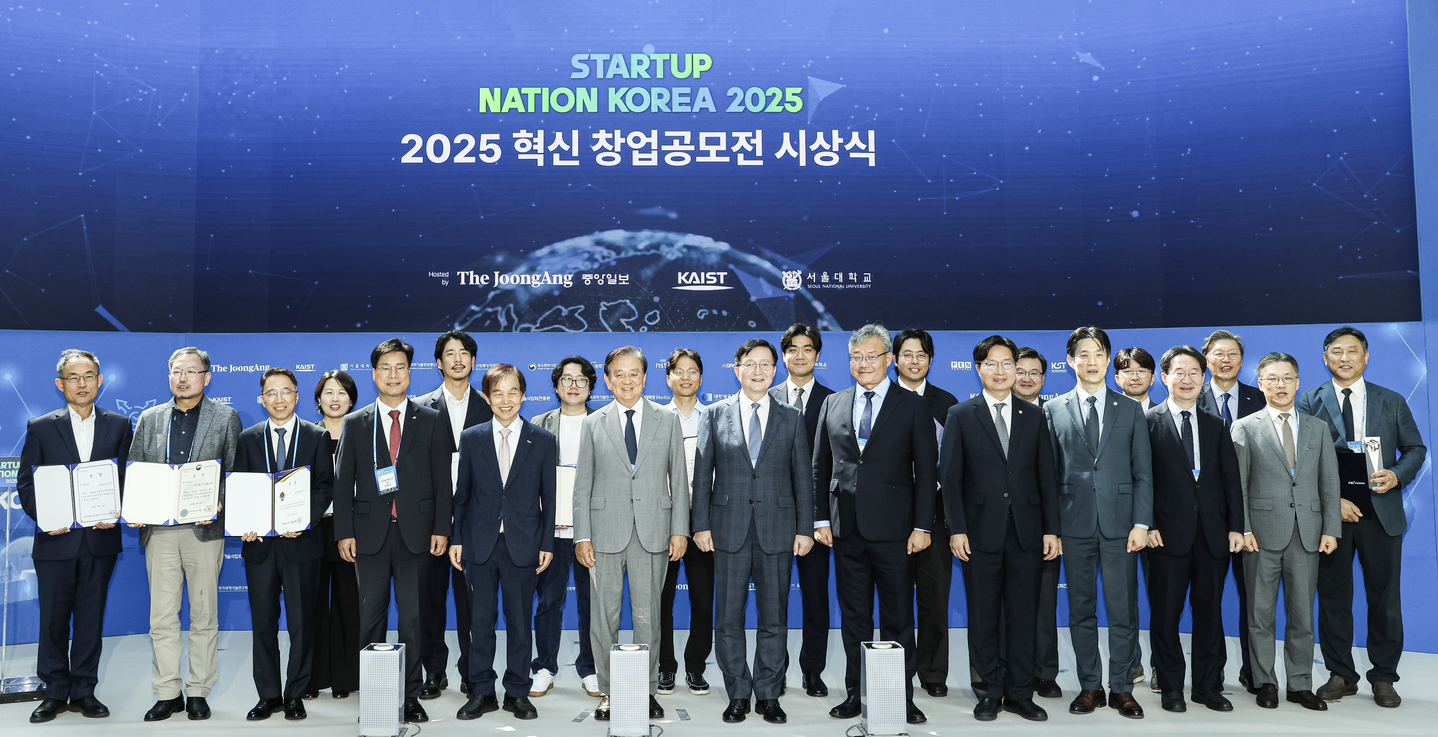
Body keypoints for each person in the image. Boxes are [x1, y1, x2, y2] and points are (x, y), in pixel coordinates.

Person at [814, 324, 936, 726]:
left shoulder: (913, 405)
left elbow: (925, 470)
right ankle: (856, 691)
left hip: (896, 532)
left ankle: (902, 696)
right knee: (855, 617)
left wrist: (922, 526)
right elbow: (820, 468)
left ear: (889, 359)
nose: (863, 364)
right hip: (845, 530)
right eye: (856, 357)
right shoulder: (833, 403)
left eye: (871, 356)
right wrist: (820, 518)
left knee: (899, 617)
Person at [1297, 327, 1426, 708]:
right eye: (1336, 351)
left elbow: (1415, 449)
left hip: (1381, 512)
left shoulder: (1392, 400)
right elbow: (1303, 461)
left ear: (1366, 357)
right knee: (1334, 596)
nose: (1344, 358)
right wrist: (1332, 499)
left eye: (1352, 351)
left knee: (1384, 599)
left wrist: (1398, 474)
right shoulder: (1308, 400)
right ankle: (1341, 675)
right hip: (1334, 515)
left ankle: (1384, 677)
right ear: (1325, 358)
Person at [692, 339, 815, 725]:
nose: (758, 371)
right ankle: (738, 694)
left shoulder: (791, 416)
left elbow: (803, 479)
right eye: (750, 364)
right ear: (737, 369)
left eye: (765, 364)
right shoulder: (713, 414)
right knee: (728, 619)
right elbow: (702, 476)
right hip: (727, 529)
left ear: (775, 371)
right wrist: (701, 525)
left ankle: (769, 694)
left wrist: (805, 529)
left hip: (778, 530)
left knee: (773, 618)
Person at [333, 338, 454, 724]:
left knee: (413, 619)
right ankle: (376, 694)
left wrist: (441, 527)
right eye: (385, 367)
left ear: (410, 371)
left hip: (417, 535)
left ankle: (410, 695)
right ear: (374, 374)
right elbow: (342, 483)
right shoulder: (357, 422)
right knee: (371, 618)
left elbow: (443, 481)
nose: (393, 374)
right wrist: (343, 531)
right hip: (368, 535)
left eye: (400, 367)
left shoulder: (432, 418)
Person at [941, 335, 1059, 723]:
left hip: (1027, 531)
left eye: (1007, 363)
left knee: (1024, 615)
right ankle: (989, 690)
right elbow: (951, 478)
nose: (1000, 370)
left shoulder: (1035, 415)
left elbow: (1047, 477)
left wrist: (1051, 530)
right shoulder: (961, 414)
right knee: (984, 614)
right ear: (979, 369)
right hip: (978, 533)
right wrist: (956, 529)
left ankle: (1021, 693)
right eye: (992, 363)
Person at [572, 346, 690, 721]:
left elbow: (679, 480)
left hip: (654, 532)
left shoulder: (666, 420)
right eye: (618, 374)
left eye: (633, 373)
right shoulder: (594, 423)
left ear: (644, 377)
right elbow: (582, 486)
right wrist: (582, 536)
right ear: (607, 380)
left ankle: (646, 690)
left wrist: (680, 530)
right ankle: (607, 692)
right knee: (602, 619)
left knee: (648, 619)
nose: (626, 380)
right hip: (604, 534)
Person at [17, 350, 134, 723]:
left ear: (100, 381)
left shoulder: (119, 425)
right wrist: (47, 518)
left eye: (88, 376)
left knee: (89, 618)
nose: (81, 383)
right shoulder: (40, 426)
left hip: (100, 541)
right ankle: (53, 691)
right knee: (52, 619)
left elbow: (125, 480)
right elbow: (26, 484)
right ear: (60, 384)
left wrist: (115, 511)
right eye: (73, 377)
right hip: (55, 540)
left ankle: (84, 689)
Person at [129, 347, 243, 722]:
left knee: (203, 614)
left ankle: (197, 691)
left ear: (206, 377)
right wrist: (134, 507)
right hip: (159, 530)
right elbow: (137, 471)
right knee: (161, 617)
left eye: (191, 372)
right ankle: (167, 691)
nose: (183, 378)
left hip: (203, 530)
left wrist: (220, 501)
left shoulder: (225, 417)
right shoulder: (150, 418)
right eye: (176, 371)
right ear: (169, 376)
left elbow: (235, 472)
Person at [1043, 326, 1152, 719]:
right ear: (1070, 361)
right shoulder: (1052, 409)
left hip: (1122, 526)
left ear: (1109, 359)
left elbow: (1143, 473)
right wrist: (1052, 529)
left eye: (1098, 354)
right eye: (1083, 354)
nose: (1091, 361)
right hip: (1073, 526)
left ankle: (1122, 687)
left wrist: (1142, 521)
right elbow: (1049, 476)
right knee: (1080, 609)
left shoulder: (1131, 409)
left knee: (1123, 610)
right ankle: (1091, 685)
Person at [1231, 352, 1340, 711]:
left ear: (1297, 382)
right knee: (1259, 614)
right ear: (1261, 384)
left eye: (1287, 378)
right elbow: (1240, 487)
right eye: (1273, 379)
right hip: (1259, 536)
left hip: (1308, 534)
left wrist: (1331, 529)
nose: (1281, 385)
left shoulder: (1318, 428)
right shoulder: (1245, 427)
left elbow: (1329, 484)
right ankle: (1264, 682)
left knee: (1302, 616)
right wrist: (1243, 528)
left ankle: (1299, 684)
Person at [450, 365, 555, 722]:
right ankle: (481, 691)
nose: (506, 399)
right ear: (487, 397)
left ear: (523, 395)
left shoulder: (541, 439)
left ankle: (517, 692)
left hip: (524, 544)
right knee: (480, 623)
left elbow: (549, 498)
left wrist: (547, 543)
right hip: (479, 544)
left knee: (520, 623)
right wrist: (457, 539)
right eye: (498, 392)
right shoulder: (473, 437)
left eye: (513, 392)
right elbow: (461, 495)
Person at [1143, 346, 1244, 714]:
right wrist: (1147, 523)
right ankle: (1171, 687)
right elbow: (1142, 480)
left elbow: (1231, 480)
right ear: (1165, 377)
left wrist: (1236, 526)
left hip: (1213, 535)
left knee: (1209, 613)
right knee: (1165, 614)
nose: (1187, 380)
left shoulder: (1217, 425)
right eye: (1179, 373)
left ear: (1204, 380)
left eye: (1194, 373)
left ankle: (1206, 685)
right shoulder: (1148, 422)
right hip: (1165, 535)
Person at [235, 368, 335, 721]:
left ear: (296, 396)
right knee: (263, 623)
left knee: (301, 623)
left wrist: (300, 519)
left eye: (286, 392)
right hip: (259, 547)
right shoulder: (247, 439)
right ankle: (268, 695)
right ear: (262, 399)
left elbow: (325, 487)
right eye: (271, 393)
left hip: (302, 545)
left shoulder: (316, 436)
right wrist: (245, 523)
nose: (279, 399)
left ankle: (295, 693)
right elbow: (240, 490)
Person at [416, 330, 494, 699]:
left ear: (474, 361)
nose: (458, 359)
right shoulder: (420, 407)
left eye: (465, 353)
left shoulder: (490, 405)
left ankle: (470, 670)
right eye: (450, 353)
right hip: (430, 521)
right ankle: (434, 670)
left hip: (475, 523)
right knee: (430, 601)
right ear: (438, 362)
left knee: (471, 603)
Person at [1195, 329, 1265, 694]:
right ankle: (1212, 674)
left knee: (1253, 600)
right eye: (1218, 354)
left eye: (1233, 354)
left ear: (1242, 360)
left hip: (1253, 519)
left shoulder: (1261, 397)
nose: (1225, 360)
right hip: (1205, 519)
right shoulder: (1189, 397)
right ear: (1206, 360)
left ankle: (1255, 674)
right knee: (1207, 601)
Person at [891, 328, 958, 698]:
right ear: (894, 359)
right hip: (891, 520)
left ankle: (933, 673)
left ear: (930, 360)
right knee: (896, 604)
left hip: (936, 519)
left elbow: (955, 466)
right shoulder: (882, 400)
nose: (914, 361)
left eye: (921, 354)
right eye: (907, 354)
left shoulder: (947, 403)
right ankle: (896, 674)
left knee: (934, 602)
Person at [770, 323, 834, 698]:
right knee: (773, 600)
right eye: (792, 348)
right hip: (772, 516)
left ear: (817, 354)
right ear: (783, 355)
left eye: (807, 348)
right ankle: (774, 671)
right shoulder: (764, 395)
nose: (799, 355)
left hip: (817, 518)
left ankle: (812, 669)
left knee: (815, 597)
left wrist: (818, 518)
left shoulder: (833, 399)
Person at [530, 357, 600, 699]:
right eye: (567, 379)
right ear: (556, 385)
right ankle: (544, 667)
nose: (573, 385)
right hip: (550, 532)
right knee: (547, 602)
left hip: (592, 532)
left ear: (590, 386)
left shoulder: (602, 422)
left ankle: (590, 668)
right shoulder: (539, 423)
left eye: (581, 380)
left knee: (593, 604)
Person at [658, 348, 714, 697]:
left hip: (705, 522)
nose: (686, 377)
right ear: (668, 378)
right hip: (663, 520)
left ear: (701, 378)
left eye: (693, 371)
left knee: (703, 600)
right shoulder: (656, 419)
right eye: (679, 371)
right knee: (661, 600)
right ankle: (665, 667)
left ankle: (695, 666)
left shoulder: (714, 417)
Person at [1013, 346, 1063, 699]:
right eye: (1021, 371)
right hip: (1003, 524)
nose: (1027, 378)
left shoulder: (1055, 414)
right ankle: (1008, 668)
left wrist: (1053, 528)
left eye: (1035, 372)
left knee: (1045, 603)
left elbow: (1056, 476)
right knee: (1006, 603)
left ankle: (1044, 672)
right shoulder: (991, 413)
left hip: (1045, 524)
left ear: (1043, 379)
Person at [308, 370, 361, 700]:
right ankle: (313, 678)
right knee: (312, 606)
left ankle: (345, 677)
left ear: (352, 399)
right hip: (312, 530)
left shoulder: (364, 433)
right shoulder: (307, 435)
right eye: (329, 392)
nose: (335, 398)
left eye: (342, 392)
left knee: (348, 604)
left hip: (353, 531)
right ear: (318, 399)